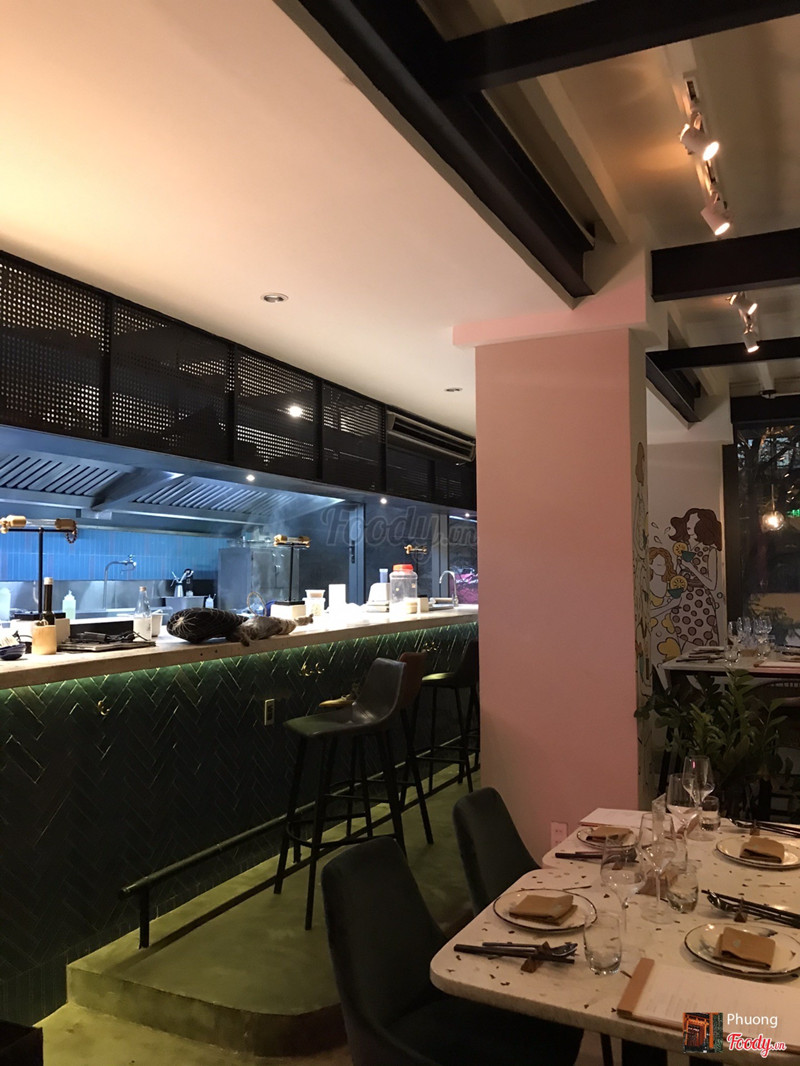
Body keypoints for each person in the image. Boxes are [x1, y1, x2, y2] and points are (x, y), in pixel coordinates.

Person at [669, 508, 723, 648]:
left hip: (701, 603)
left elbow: (711, 584)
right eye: (688, 520)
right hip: (682, 602)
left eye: (693, 521)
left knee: (705, 645)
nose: (689, 524)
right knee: (683, 645)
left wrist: (691, 567)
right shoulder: (683, 547)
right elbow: (677, 575)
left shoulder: (710, 551)